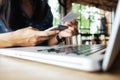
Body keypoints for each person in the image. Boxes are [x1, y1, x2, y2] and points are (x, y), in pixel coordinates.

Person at [0, 0, 78, 48]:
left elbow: (46, 43)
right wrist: (15, 39)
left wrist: (60, 35)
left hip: (39, 63)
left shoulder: (45, 8)